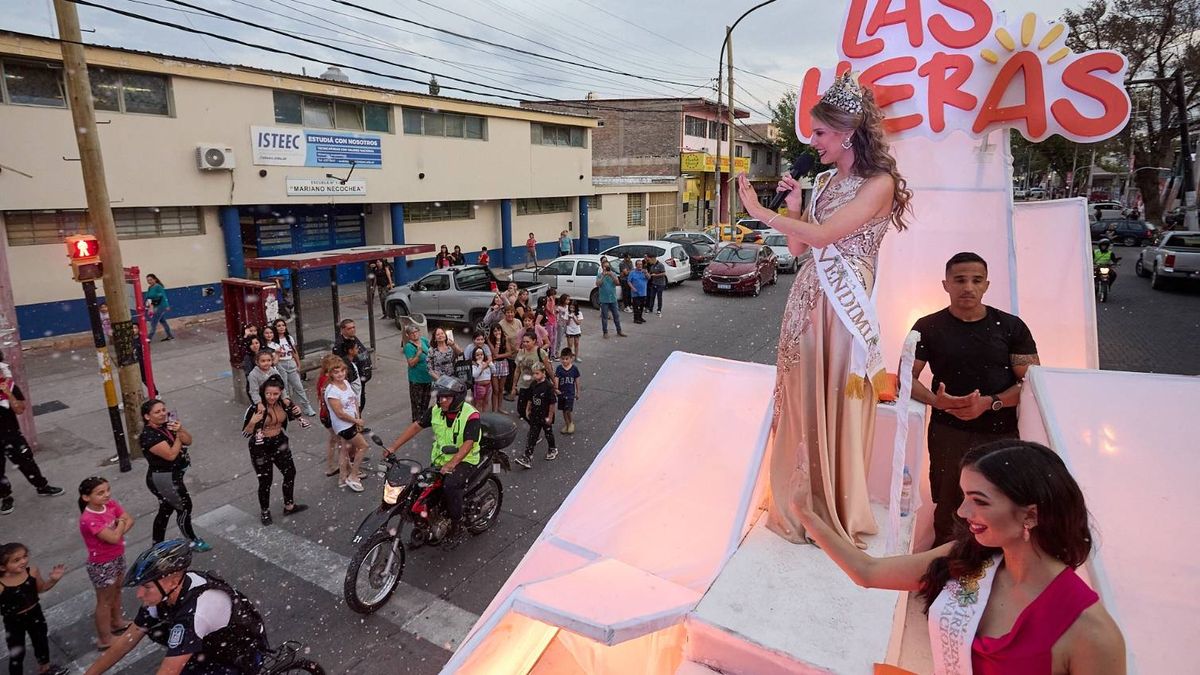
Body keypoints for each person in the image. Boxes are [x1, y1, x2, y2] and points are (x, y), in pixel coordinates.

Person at [735, 71, 913, 548]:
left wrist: (760, 212)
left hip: (843, 303)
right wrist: (792, 206)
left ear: (847, 133)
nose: (812, 142)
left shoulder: (879, 184)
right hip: (808, 297)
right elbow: (798, 247)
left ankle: (834, 506)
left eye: (819, 133)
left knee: (834, 393)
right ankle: (802, 502)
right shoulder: (827, 181)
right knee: (802, 393)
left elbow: (826, 237)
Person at [795, 440, 1125, 675]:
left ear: (1030, 515)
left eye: (979, 500)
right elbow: (867, 571)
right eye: (965, 496)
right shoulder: (970, 559)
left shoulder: (1092, 636)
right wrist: (807, 514)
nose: (963, 511)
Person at [910, 252, 1040, 546]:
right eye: (960, 280)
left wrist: (990, 402)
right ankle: (944, 571)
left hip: (1000, 434)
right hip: (948, 432)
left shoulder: (1011, 327)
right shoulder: (927, 326)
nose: (968, 287)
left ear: (986, 285)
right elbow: (906, 377)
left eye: (976, 280)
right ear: (946, 285)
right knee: (948, 504)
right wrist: (936, 401)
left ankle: (992, 567)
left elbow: (1032, 384)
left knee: (999, 503)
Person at [84, 540, 271, 675]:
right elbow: (127, 641)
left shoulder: (196, 612)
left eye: (146, 587)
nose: (139, 594)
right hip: (208, 649)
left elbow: (168, 671)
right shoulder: (167, 590)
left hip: (236, 657)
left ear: (173, 581)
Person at [384, 376, 482, 550]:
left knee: (450, 487)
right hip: (439, 460)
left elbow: (468, 444)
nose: (441, 400)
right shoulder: (435, 410)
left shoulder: (471, 415)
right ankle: (424, 526)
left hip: (464, 460)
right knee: (419, 489)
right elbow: (415, 427)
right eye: (440, 396)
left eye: (447, 397)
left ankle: (456, 526)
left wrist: (453, 463)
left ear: (457, 398)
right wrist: (393, 447)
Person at [139, 399, 211, 551]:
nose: (163, 414)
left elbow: (189, 441)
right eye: (157, 412)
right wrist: (178, 436)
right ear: (147, 416)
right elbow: (171, 455)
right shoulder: (149, 436)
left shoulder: (168, 425)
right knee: (184, 507)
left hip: (171, 476)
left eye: (163, 410)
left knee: (165, 510)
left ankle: (156, 545)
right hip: (164, 479)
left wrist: (180, 429)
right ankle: (192, 541)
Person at [242, 376, 309, 525]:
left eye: (275, 394)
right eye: (268, 394)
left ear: (280, 393)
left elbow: (290, 417)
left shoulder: (283, 404)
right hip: (260, 447)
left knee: (290, 472)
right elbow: (245, 433)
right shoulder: (255, 408)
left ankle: (289, 505)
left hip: (279, 442)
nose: (271, 397)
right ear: (263, 393)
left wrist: (296, 411)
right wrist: (252, 422)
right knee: (265, 481)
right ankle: (265, 511)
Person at [77, 477, 134, 651]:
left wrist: (120, 524)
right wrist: (121, 523)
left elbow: (129, 520)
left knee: (117, 590)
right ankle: (105, 638)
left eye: (107, 490)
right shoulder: (89, 518)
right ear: (86, 497)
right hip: (102, 564)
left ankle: (116, 622)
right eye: (100, 493)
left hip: (117, 556)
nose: (107, 495)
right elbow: (115, 536)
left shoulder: (110, 504)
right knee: (104, 600)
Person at [0, 543, 68, 675]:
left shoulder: (32, 571)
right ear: (2, 567)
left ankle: (46, 669)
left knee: (41, 642)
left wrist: (53, 580)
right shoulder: (1, 584)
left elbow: (41, 588)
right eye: (16, 560)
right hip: (14, 621)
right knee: (17, 652)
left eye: (25, 556)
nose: (23, 561)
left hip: (35, 613)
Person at [0, 379, 64, 516]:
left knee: (26, 461)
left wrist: (8, 394)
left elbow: (20, 409)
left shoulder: (9, 386)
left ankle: (42, 486)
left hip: (11, 434)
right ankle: (5, 496)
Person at [324, 357, 366, 492]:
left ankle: (342, 478)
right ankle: (353, 475)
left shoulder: (346, 383)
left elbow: (354, 402)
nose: (340, 374)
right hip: (344, 425)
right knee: (363, 447)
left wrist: (358, 417)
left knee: (344, 450)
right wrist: (356, 421)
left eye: (342, 371)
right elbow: (339, 413)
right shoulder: (332, 391)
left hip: (351, 422)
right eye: (336, 372)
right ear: (331, 374)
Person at [269, 318, 316, 416]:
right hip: (280, 364)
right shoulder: (272, 341)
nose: (281, 328)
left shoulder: (289, 338)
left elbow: (294, 352)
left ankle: (307, 407)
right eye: (279, 326)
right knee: (285, 389)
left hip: (291, 363)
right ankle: (288, 409)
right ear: (275, 328)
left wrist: (298, 364)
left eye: (283, 325)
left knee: (299, 387)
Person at [516, 363, 557, 468]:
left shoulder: (548, 386)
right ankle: (527, 457)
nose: (535, 376)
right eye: (534, 374)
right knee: (532, 435)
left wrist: (550, 416)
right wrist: (527, 409)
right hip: (535, 414)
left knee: (548, 432)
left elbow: (552, 403)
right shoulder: (533, 384)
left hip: (544, 414)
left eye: (537, 373)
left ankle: (552, 448)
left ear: (543, 373)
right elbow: (530, 397)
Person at [512, 333, 554, 425]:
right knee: (521, 409)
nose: (525, 344)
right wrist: (514, 386)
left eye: (528, 342)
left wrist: (554, 382)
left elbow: (548, 368)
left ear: (534, 341)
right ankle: (533, 425)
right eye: (523, 342)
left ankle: (535, 429)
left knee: (536, 409)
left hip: (537, 386)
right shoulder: (521, 352)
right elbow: (517, 370)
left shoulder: (540, 352)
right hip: (524, 384)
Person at [315, 354, 344, 478]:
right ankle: (345, 469)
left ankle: (331, 465)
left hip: (324, 414)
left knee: (333, 440)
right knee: (341, 442)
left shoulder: (322, 378)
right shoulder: (328, 381)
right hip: (330, 415)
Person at [333, 319, 372, 407]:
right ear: (342, 330)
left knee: (361, 401)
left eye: (353, 327)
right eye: (349, 328)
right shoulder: (340, 345)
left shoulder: (352, 337)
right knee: (356, 404)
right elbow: (340, 365)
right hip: (352, 380)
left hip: (361, 377)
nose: (352, 330)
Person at [403, 324, 433, 423]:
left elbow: (431, 350)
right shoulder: (408, 346)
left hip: (428, 377)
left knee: (426, 399)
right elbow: (411, 363)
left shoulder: (423, 340)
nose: (415, 335)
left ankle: (423, 419)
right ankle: (416, 421)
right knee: (417, 402)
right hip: (416, 379)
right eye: (412, 333)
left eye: (416, 332)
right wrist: (418, 354)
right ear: (408, 335)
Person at [595, 257, 627, 338]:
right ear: (602, 267)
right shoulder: (599, 275)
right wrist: (603, 276)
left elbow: (617, 283)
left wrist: (611, 275)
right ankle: (605, 332)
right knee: (604, 317)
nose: (607, 268)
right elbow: (598, 284)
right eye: (605, 267)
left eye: (608, 266)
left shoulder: (613, 274)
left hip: (613, 298)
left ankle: (619, 331)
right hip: (604, 299)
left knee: (616, 315)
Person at [497, 307, 523, 401]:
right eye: (508, 312)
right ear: (505, 313)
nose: (510, 314)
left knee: (518, 371)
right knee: (510, 373)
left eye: (512, 312)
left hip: (519, 352)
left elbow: (522, 334)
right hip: (508, 353)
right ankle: (508, 390)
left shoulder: (518, 322)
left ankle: (515, 388)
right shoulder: (501, 324)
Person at [555, 348, 581, 435]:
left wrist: (578, 392)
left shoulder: (574, 369)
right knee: (563, 409)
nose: (564, 361)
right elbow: (556, 379)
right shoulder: (559, 369)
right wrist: (556, 389)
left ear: (571, 358)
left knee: (567, 410)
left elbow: (577, 381)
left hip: (570, 393)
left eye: (567, 359)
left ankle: (571, 423)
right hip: (561, 393)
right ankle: (566, 424)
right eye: (563, 359)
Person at [486, 325, 511, 414]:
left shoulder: (505, 338)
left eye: (499, 330)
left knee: (501, 388)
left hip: (503, 364)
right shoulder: (489, 340)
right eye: (495, 331)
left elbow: (509, 353)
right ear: (492, 332)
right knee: (495, 389)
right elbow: (494, 352)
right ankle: (494, 410)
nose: (497, 333)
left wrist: (498, 356)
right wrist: (498, 341)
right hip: (494, 365)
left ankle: (500, 408)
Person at [144, 273, 174, 342]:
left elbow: (163, 296)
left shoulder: (158, 287)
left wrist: (167, 305)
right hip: (155, 306)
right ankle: (170, 335)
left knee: (153, 322)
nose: (149, 281)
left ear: (155, 279)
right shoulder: (150, 287)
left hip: (161, 306)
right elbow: (147, 296)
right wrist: (146, 304)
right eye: (148, 280)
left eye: (151, 280)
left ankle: (148, 338)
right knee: (163, 321)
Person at [470, 348, 493, 413]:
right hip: (479, 386)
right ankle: (478, 417)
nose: (480, 356)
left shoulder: (486, 363)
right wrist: (480, 366)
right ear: (474, 356)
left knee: (486, 402)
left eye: (481, 354)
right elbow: (475, 375)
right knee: (479, 402)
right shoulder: (474, 365)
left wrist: (490, 364)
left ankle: (484, 417)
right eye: (477, 355)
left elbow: (494, 371)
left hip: (488, 385)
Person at [645, 252, 667, 316]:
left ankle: (659, 310)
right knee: (652, 296)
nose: (649, 261)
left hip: (660, 284)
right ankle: (650, 308)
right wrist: (646, 274)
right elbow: (650, 274)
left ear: (653, 258)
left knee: (659, 297)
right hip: (654, 283)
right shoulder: (652, 266)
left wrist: (656, 275)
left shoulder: (660, 265)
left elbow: (664, 273)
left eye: (649, 259)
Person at [628, 259, 649, 324]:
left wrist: (646, 273)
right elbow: (628, 281)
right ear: (636, 265)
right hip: (635, 292)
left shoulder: (644, 272)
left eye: (641, 264)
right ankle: (636, 319)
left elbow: (649, 278)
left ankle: (640, 317)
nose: (640, 266)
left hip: (643, 292)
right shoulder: (632, 272)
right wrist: (632, 288)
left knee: (642, 306)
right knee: (636, 306)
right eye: (638, 264)